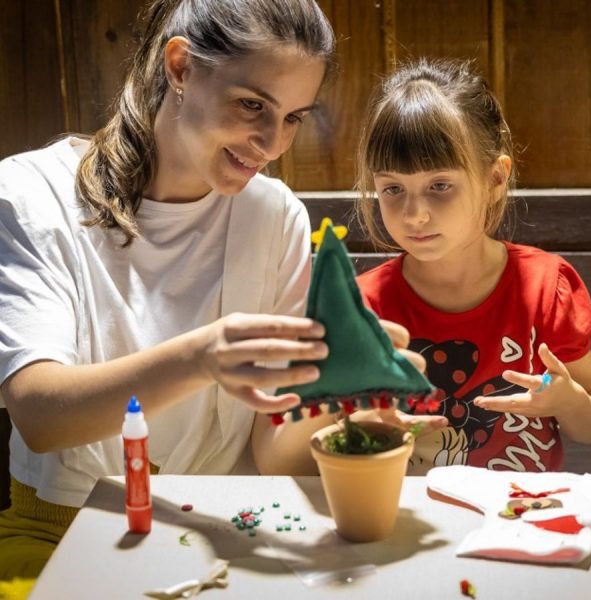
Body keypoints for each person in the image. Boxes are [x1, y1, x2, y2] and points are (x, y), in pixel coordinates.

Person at [0, 1, 418, 595]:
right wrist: (202, 358)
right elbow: (39, 415)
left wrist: (342, 388)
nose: (273, 144)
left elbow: (272, 454)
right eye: (253, 105)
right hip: (60, 533)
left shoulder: (277, 220)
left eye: (294, 116)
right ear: (179, 67)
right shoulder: (33, 195)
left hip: (229, 531)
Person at [355, 58, 591, 475]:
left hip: (522, 515)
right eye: (392, 189)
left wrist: (564, 400)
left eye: (440, 185)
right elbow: (343, 441)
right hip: (416, 521)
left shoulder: (546, 287)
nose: (414, 214)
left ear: (495, 179)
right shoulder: (365, 307)